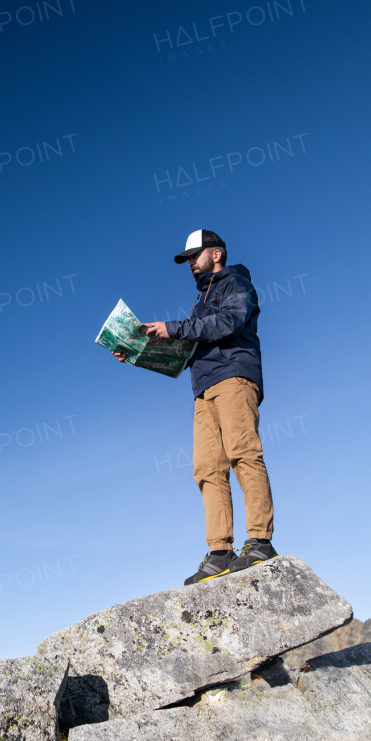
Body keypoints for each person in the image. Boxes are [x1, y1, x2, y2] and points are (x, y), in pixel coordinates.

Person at [112, 229, 278, 585]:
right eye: (187, 259)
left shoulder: (236, 283)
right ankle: (220, 552)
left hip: (234, 376)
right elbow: (186, 352)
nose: (189, 263)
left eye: (193, 256)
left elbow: (229, 322)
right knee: (206, 468)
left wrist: (172, 328)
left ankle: (260, 542)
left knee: (243, 453)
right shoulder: (199, 302)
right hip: (203, 389)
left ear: (215, 254)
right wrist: (136, 352)